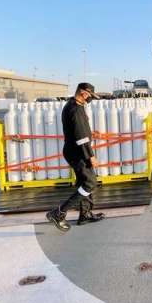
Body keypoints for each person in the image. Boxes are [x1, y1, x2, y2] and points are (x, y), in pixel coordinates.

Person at [46, 82, 105, 231]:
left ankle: (85, 213)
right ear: (84, 94)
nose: (90, 100)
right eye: (90, 96)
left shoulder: (71, 105)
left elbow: (81, 131)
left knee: (84, 182)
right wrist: (90, 156)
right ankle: (59, 212)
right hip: (78, 153)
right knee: (89, 183)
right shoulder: (76, 109)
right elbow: (81, 138)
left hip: (75, 151)